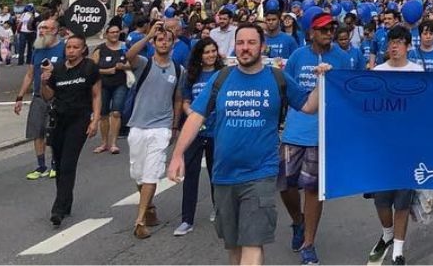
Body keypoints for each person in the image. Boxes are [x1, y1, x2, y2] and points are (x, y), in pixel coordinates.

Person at [168, 22, 325, 266]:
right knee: (234, 247)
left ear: (262, 47)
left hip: (260, 174)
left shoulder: (277, 78)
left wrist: (321, 81)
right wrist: (177, 154)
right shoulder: (221, 78)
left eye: (251, 43)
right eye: (240, 43)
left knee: (252, 243)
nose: (245, 48)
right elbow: (196, 116)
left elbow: (308, 106)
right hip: (223, 175)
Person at [281, 13, 354, 264]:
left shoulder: (343, 59)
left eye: (331, 29)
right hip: (294, 132)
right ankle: (297, 221)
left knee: (313, 190)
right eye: (323, 30)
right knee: (286, 185)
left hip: (323, 134)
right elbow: (286, 89)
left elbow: (350, 93)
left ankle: (308, 243)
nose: (328, 33)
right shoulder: (297, 57)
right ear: (311, 32)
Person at [367, 24, 423, 266]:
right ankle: (387, 234)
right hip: (380, 148)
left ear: (408, 46)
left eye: (399, 42)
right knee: (381, 200)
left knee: (402, 200)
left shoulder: (417, 71)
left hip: (408, 147)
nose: (394, 46)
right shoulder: (377, 71)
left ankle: (398, 250)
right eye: (391, 42)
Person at [124, 21, 186, 239]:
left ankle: (139, 220)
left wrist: (175, 124)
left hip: (161, 127)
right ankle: (149, 207)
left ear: (173, 43)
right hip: (138, 124)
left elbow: (178, 98)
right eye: (160, 39)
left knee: (151, 173)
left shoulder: (178, 70)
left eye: (167, 40)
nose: (163, 43)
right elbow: (129, 56)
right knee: (138, 173)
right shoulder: (143, 63)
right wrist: (148, 36)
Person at [40, 34, 101, 227]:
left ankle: (58, 209)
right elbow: (48, 95)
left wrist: (95, 120)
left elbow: (97, 95)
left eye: (76, 47)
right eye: (69, 47)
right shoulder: (57, 69)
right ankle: (66, 202)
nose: (72, 51)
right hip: (59, 119)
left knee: (68, 162)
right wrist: (44, 81)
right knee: (59, 163)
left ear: (83, 49)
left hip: (79, 119)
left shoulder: (89, 68)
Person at [177, 38, 223, 236]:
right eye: (206, 52)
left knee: (217, 174)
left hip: (217, 131)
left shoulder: (223, 75)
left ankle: (219, 210)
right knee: (191, 176)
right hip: (195, 131)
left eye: (213, 51)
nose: (211, 55)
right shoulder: (191, 76)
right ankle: (187, 219)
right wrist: (193, 116)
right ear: (199, 55)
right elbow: (186, 101)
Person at [14, 17, 66, 179]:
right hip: (38, 96)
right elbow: (29, 75)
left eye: (45, 28)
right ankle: (41, 165)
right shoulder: (37, 49)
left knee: (54, 132)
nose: (41, 31)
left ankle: (55, 164)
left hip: (57, 97)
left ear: (55, 31)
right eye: (40, 28)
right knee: (37, 132)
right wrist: (20, 97)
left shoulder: (64, 48)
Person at [92, 22, 129, 155]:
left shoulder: (125, 47)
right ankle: (104, 142)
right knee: (103, 114)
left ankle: (113, 143)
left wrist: (123, 67)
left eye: (117, 32)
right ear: (107, 34)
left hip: (121, 83)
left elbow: (132, 64)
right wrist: (109, 70)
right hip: (103, 84)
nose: (115, 34)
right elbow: (93, 69)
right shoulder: (100, 49)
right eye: (112, 32)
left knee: (116, 112)